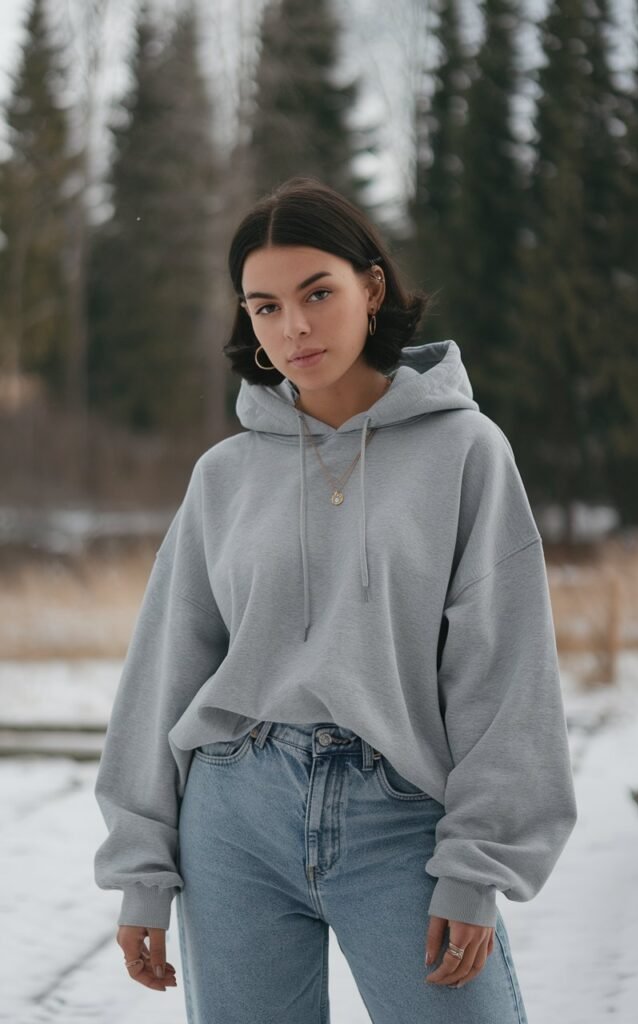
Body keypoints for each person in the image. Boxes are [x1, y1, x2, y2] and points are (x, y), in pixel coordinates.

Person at [93, 176, 577, 1023]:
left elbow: (506, 672)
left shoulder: (466, 451)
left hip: (402, 817)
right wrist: (142, 871)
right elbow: (164, 670)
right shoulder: (225, 475)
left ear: (372, 288)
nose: (295, 327)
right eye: (266, 306)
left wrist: (477, 868)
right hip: (234, 817)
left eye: (317, 293)